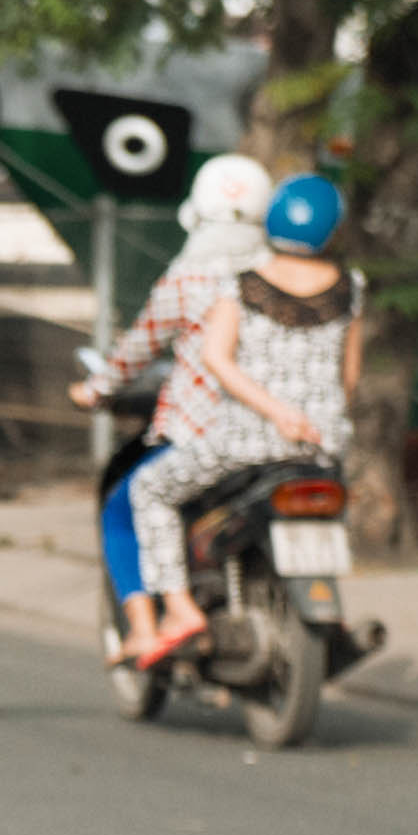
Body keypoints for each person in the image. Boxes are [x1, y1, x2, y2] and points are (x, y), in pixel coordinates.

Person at [125, 174, 363, 669]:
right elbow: (350, 377)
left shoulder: (241, 284)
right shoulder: (351, 288)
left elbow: (218, 360)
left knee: (149, 490)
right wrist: (315, 416)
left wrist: (276, 411)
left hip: (245, 443)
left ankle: (178, 609)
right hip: (323, 444)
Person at [71, 155, 272, 660]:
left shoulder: (190, 278)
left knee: (125, 504)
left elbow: (137, 350)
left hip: (202, 435)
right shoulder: (283, 273)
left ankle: (146, 625)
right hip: (280, 435)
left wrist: (95, 389)